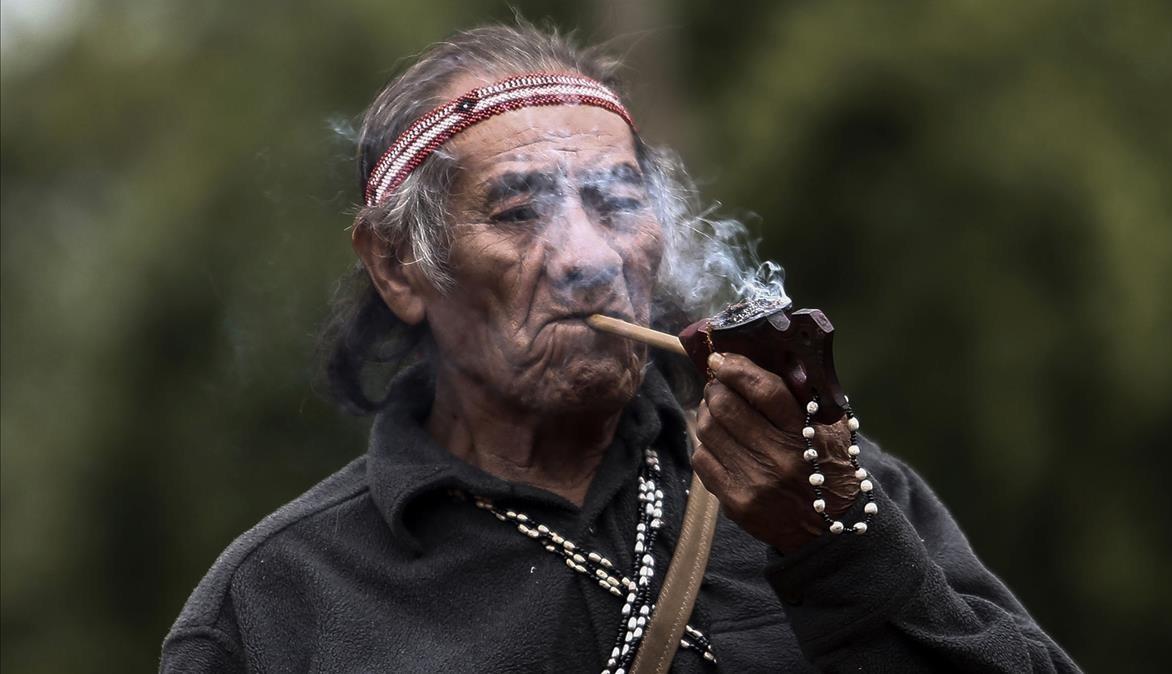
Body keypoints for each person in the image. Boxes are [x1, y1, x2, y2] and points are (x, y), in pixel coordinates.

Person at [161, 24, 1080, 673]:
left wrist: (833, 548)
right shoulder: (281, 599)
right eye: (519, 212)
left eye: (617, 202)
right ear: (401, 264)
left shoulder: (830, 495)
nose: (589, 260)